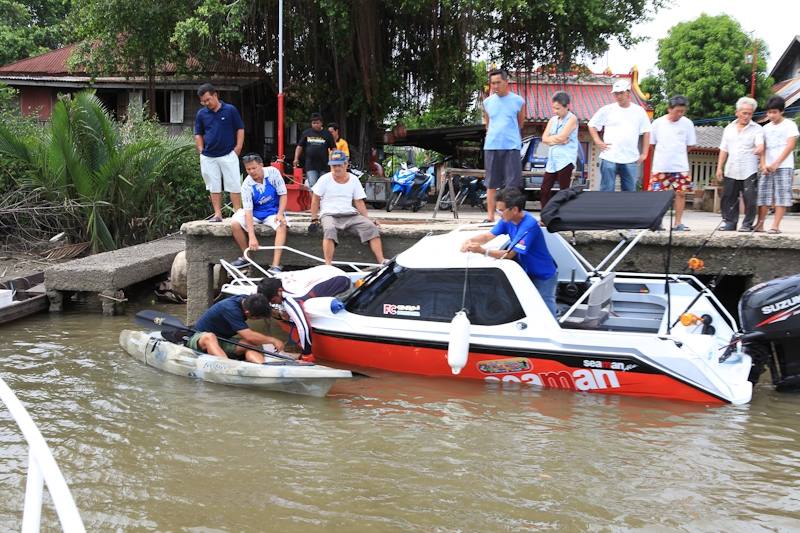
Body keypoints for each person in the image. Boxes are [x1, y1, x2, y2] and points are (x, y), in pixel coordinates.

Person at [460, 188, 558, 317]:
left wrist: (482, 251)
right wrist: (469, 241)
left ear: (515, 209)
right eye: (497, 210)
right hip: (526, 272)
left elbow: (509, 254)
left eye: (501, 210)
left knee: (546, 308)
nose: (499, 214)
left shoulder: (529, 225)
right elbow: (488, 236)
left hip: (543, 274)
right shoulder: (507, 219)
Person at [309, 150, 387, 265]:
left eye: (339, 165)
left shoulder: (354, 180)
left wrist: (367, 219)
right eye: (334, 166)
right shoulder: (324, 179)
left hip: (350, 214)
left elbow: (359, 202)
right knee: (329, 229)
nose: (336, 168)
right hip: (329, 214)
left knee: (371, 227)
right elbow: (315, 199)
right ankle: (328, 265)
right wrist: (314, 219)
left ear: (346, 165)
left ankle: (382, 260)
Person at [257, 266, 352, 356]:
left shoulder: (291, 299)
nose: (275, 303)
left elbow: (303, 327)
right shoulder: (274, 280)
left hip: (343, 284)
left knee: (304, 308)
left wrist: (307, 354)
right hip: (330, 271)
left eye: (274, 301)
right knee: (294, 309)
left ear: (279, 291)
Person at [194, 83, 245, 222]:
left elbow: (240, 128)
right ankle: (217, 214)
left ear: (215, 95)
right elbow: (198, 133)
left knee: (234, 183)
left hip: (229, 153)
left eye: (208, 99)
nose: (206, 103)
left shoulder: (230, 110)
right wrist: (200, 149)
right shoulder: (201, 114)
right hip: (208, 156)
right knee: (213, 185)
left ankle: (237, 214)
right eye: (203, 101)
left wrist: (238, 147)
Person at [588, 79, 651, 192]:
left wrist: (645, 153)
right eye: (616, 94)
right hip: (609, 156)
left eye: (621, 93)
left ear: (628, 92)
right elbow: (592, 124)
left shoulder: (639, 111)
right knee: (607, 190)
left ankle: (626, 210)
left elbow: (647, 131)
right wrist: (597, 141)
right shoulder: (607, 109)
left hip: (630, 157)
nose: (618, 96)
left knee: (629, 191)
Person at [229, 154, 288, 271]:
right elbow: (248, 211)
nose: (251, 172)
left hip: (273, 211)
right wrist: (252, 236)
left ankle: (275, 265)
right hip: (255, 213)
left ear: (261, 165)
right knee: (235, 223)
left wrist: (280, 213)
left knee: (281, 225)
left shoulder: (273, 173)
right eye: (248, 169)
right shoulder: (246, 185)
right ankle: (246, 257)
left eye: (254, 168)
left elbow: (283, 194)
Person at [187, 293, 286, 364]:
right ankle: (227, 366)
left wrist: (280, 314)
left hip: (222, 340)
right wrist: (273, 340)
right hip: (199, 338)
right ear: (248, 313)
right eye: (258, 318)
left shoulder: (247, 300)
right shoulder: (231, 308)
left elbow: (263, 305)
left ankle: (261, 367)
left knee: (250, 345)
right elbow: (249, 336)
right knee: (210, 336)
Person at [715, 97, 764, 232]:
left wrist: (759, 149)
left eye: (749, 113)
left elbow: (760, 145)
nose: (746, 116)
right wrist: (720, 167)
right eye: (744, 113)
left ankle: (747, 224)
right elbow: (724, 149)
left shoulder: (757, 129)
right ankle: (730, 222)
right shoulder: (729, 128)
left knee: (750, 198)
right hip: (731, 168)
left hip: (749, 169)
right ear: (737, 112)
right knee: (728, 196)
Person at [648, 95, 697, 231]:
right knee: (658, 195)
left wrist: (677, 155)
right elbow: (651, 144)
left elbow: (690, 145)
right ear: (669, 109)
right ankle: (657, 222)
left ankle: (678, 223)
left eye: (682, 111)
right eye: (677, 111)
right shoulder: (658, 123)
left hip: (680, 166)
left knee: (681, 193)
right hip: (661, 166)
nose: (680, 114)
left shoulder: (687, 123)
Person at [483, 68, 525, 222]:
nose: (495, 86)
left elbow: (520, 123)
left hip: (511, 146)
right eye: (492, 83)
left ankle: (509, 217)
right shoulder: (487, 102)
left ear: (506, 82)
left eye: (498, 83)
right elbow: (488, 123)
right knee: (491, 183)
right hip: (492, 146)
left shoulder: (518, 101)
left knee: (511, 184)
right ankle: (490, 216)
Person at [755, 95, 798, 234]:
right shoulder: (765, 128)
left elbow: (790, 146)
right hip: (767, 167)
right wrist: (763, 164)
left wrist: (776, 163)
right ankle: (760, 224)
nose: (771, 115)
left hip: (784, 166)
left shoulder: (790, 125)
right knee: (763, 195)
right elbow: (763, 148)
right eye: (769, 112)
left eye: (774, 112)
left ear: (781, 112)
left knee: (782, 195)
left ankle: (775, 225)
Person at [540, 91, 579, 210]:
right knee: (545, 188)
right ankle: (545, 215)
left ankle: (564, 214)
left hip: (565, 159)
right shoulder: (553, 120)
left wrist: (554, 139)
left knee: (564, 189)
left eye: (558, 108)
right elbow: (544, 138)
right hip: (552, 159)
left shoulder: (572, 118)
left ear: (567, 106)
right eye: (554, 108)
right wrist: (558, 140)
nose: (555, 111)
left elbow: (563, 137)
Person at [293, 113, 335, 188]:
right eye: (313, 123)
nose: (315, 125)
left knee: (323, 186)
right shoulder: (306, 133)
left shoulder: (327, 134)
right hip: (310, 165)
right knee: (312, 186)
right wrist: (296, 158)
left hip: (324, 165)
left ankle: (322, 200)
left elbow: (334, 148)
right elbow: (299, 146)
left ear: (321, 123)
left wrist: (334, 161)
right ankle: (313, 200)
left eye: (317, 123)